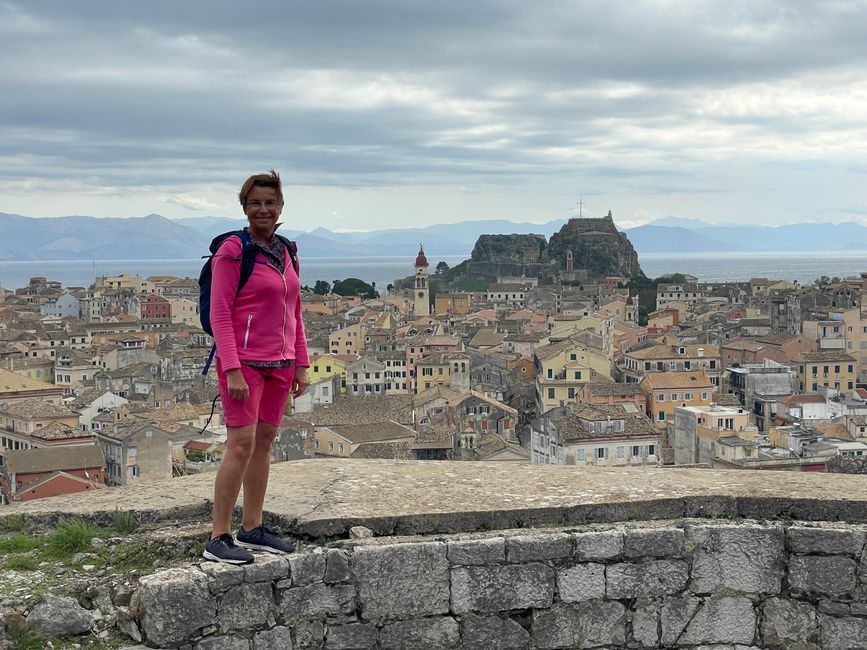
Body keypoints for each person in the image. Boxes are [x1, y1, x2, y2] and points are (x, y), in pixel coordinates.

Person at [203, 169, 309, 564]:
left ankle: (252, 527)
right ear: (244, 207)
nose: (263, 209)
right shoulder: (233, 250)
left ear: (280, 206)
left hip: (281, 364)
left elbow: (294, 311)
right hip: (244, 364)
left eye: (270, 202)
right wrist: (231, 368)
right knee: (241, 445)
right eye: (255, 202)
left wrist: (301, 362)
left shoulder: (288, 251)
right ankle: (219, 535)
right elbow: (220, 312)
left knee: (264, 444)